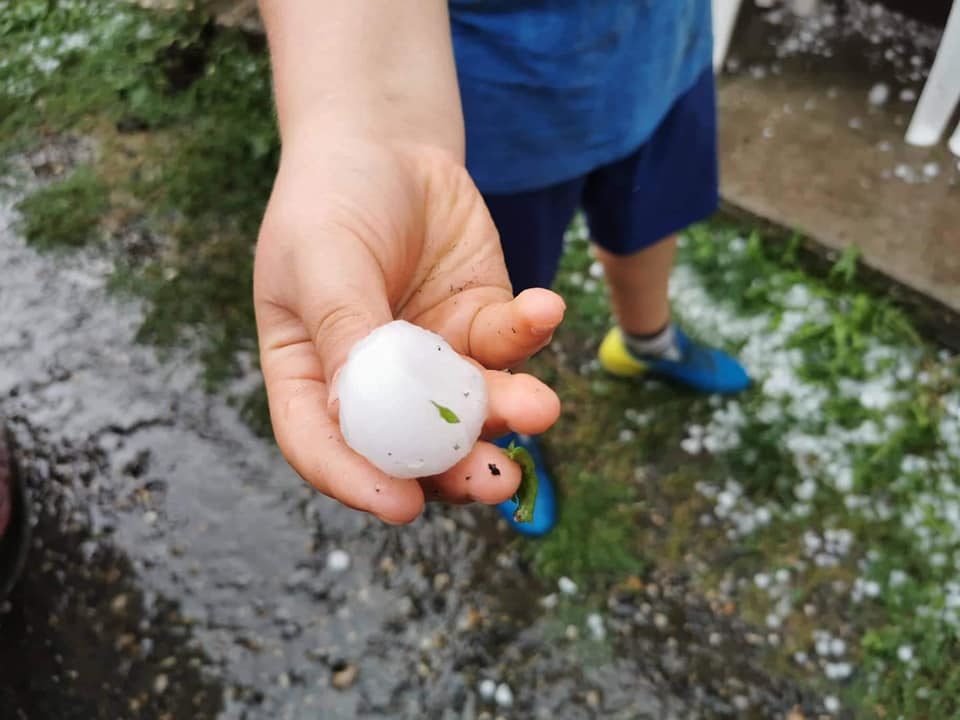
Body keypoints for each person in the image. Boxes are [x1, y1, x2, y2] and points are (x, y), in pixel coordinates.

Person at [253, 1, 750, 537]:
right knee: (495, 310)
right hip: (495, 103)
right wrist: (363, 131)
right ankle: (504, 434)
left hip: (661, 52)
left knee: (650, 220)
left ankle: (647, 342)